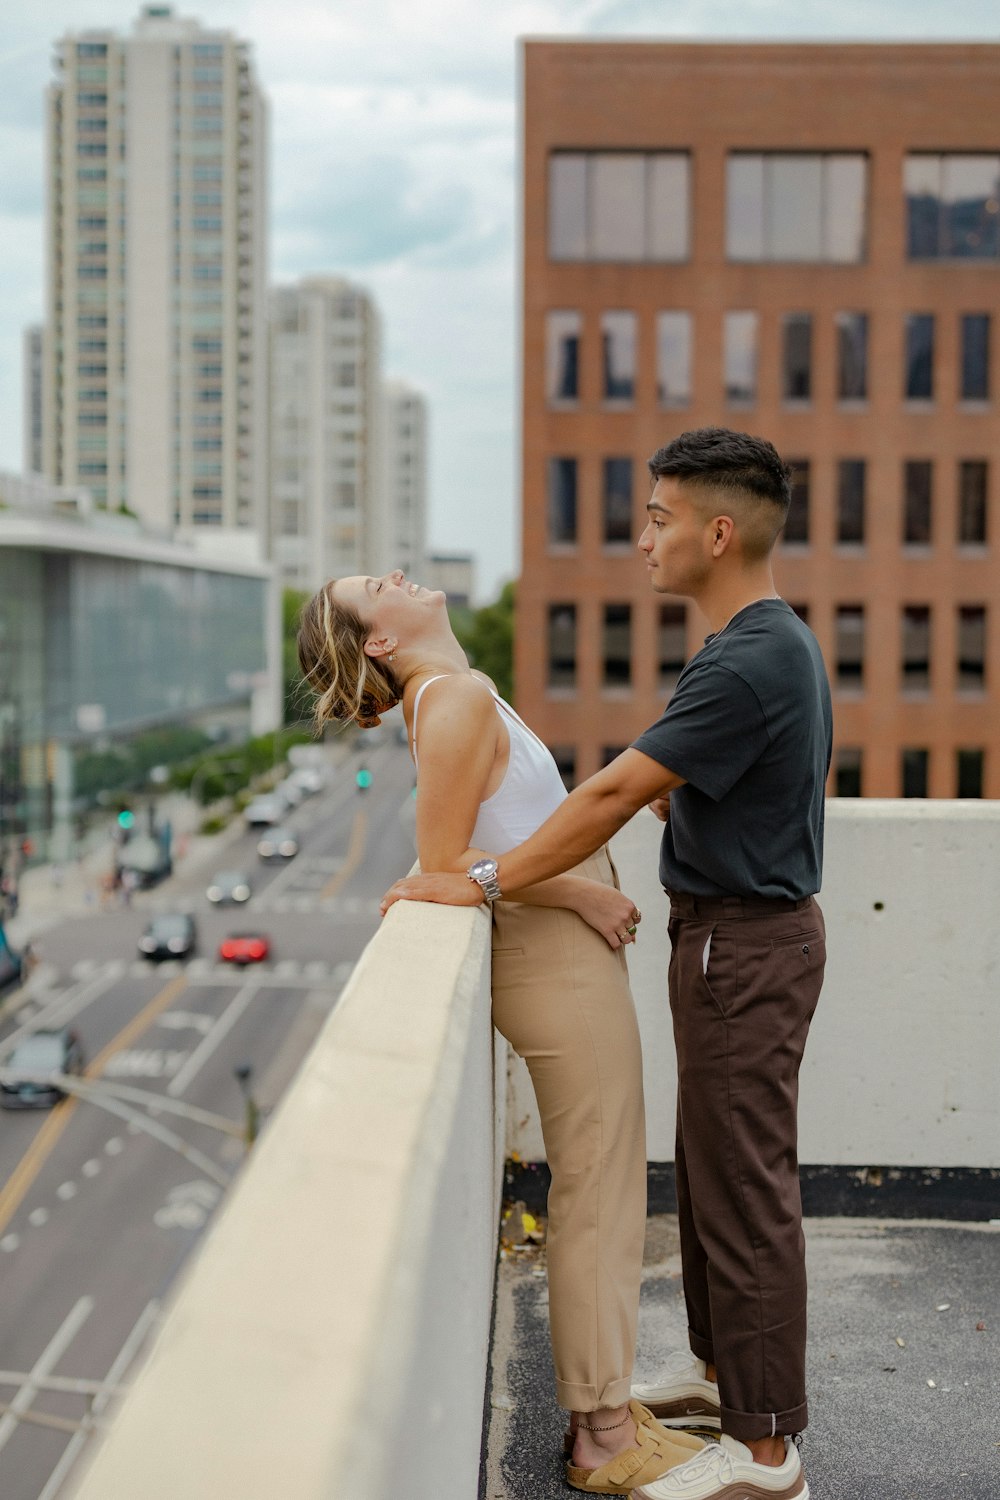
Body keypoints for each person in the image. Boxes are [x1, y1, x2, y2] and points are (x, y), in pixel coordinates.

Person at [382, 427, 832, 1500]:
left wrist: (481, 882)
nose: (643, 539)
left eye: (660, 519)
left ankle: (762, 1452)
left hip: (745, 943)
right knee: (718, 1178)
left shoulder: (751, 655)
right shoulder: (757, 647)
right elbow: (680, 779)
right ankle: (728, 1383)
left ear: (717, 534)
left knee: (746, 1190)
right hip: (727, 935)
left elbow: (610, 795)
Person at [296, 571, 704, 1494]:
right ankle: (601, 1434)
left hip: (552, 937)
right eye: (377, 586)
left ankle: (607, 1407)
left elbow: (481, 840)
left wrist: (574, 879)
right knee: (599, 1190)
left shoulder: (460, 691)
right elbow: (444, 862)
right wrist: (575, 887)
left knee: (605, 1178)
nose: (399, 574)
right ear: (378, 643)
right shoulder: (456, 699)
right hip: (548, 952)